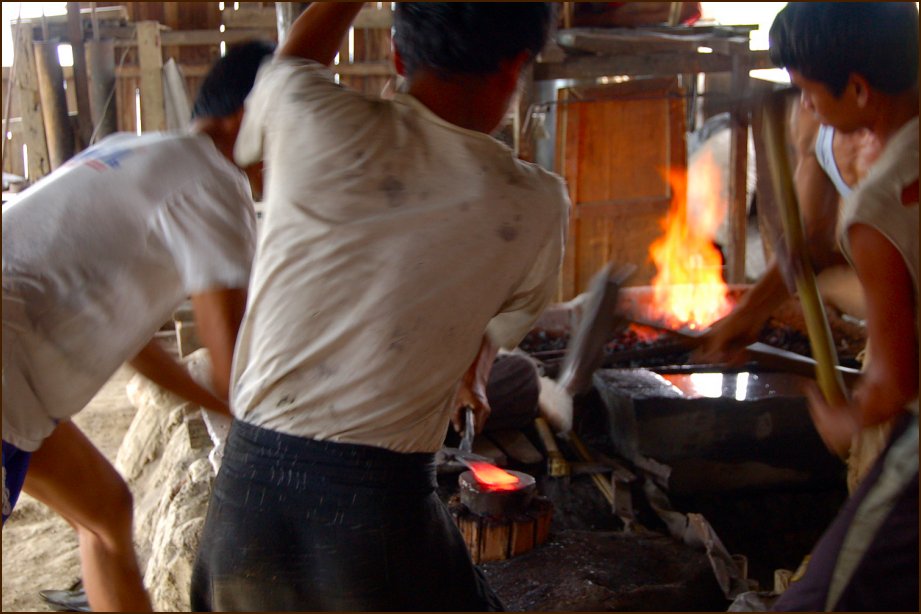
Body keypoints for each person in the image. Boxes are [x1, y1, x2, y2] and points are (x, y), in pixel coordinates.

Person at [190, 3, 568, 611]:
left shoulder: (310, 116)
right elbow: (497, 321)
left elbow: (291, 64)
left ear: (395, 52)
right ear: (516, 66)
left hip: (241, 513)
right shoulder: (535, 204)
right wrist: (475, 367)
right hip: (373, 525)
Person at [1, 40, 274, 611]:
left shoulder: (136, 149)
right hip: (8, 370)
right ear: (251, 118)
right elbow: (235, 361)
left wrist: (216, 404)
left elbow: (135, 344)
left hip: (19, 370)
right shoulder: (217, 183)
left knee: (105, 513)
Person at [752, 3, 917, 611]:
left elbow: (894, 382)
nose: (806, 108)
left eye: (809, 93)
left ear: (859, 89)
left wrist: (846, 420)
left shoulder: (878, 208)